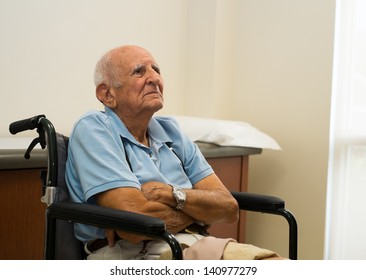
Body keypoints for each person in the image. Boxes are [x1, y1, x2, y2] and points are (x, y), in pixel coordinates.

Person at [65, 45, 281, 260]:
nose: (154, 78)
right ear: (107, 94)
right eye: (139, 71)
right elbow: (134, 226)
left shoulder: (171, 131)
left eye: (156, 70)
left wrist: (169, 194)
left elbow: (228, 207)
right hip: (132, 254)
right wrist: (198, 215)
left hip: (190, 244)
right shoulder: (94, 128)